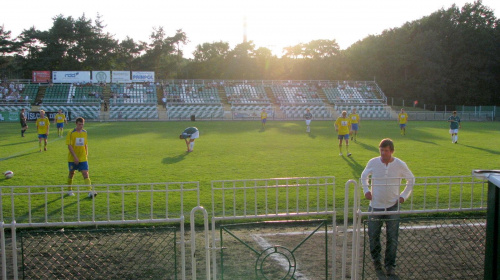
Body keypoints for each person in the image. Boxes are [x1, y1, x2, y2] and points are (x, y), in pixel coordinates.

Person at [361, 138, 415, 277]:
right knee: (373, 235)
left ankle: (390, 265)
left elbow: (411, 179)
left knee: (392, 237)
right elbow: (364, 175)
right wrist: (366, 190)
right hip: (375, 206)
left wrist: (404, 195)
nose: (383, 153)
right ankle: (376, 261)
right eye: (381, 150)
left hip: (393, 206)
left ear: (391, 151)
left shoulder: (399, 164)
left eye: (386, 151)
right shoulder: (373, 162)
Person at [66, 117, 95, 198]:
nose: (81, 126)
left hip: (82, 157)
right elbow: (69, 146)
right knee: (71, 173)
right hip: (72, 157)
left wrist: (86, 154)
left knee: (85, 173)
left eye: (82, 124)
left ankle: (90, 191)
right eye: (79, 124)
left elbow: (85, 144)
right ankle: (69, 190)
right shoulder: (71, 133)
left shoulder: (85, 132)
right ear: (76, 124)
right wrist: (75, 157)